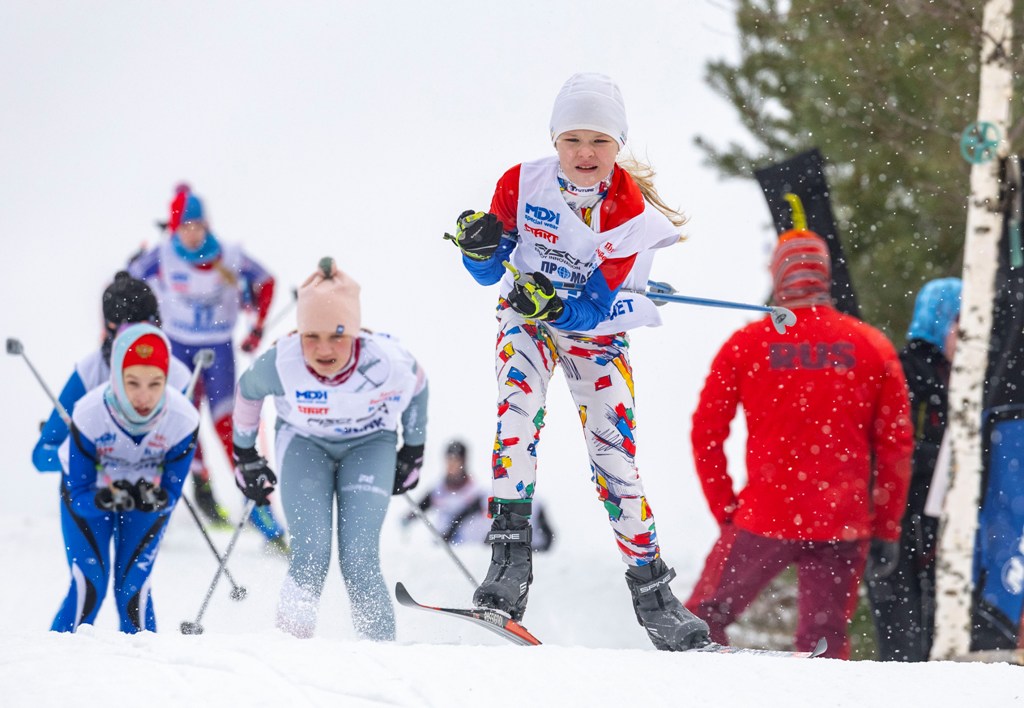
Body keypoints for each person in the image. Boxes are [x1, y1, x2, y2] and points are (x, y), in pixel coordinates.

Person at [444, 72, 710, 651]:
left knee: (615, 457)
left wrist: (558, 301)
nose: (584, 154)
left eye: (599, 142)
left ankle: (654, 595)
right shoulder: (520, 183)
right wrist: (480, 251)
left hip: (596, 329)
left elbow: (594, 306)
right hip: (527, 323)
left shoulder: (627, 206)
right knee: (515, 419)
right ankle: (509, 563)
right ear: (554, 139)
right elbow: (492, 272)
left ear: (618, 145)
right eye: (572, 140)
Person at [685, 228, 914, 659]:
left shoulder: (746, 344)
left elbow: (706, 433)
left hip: (763, 515)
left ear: (778, 274)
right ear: (825, 276)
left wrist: (726, 510)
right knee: (823, 646)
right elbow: (895, 447)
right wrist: (886, 526)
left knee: (700, 623)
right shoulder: (872, 346)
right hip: (840, 521)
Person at [230, 259, 429, 640]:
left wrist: (413, 451)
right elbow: (248, 393)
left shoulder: (387, 361)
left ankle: (381, 659)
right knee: (310, 555)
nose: (323, 349)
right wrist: (246, 455)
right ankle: (290, 651)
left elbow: (419, 388)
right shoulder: (282, 360)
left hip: (369, 446)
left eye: (337, 335)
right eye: (311, 336)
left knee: (358, 557)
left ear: (355, 332)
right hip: (305, 446)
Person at [129, 185, 287, 548]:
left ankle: (260, 509)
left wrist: (257, 324)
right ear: (174, 228)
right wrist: (141, 321)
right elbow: (128, 281)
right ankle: (200, 485)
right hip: (177, 348)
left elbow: (265, 281)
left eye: (198, 224)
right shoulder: (163, 254)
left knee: (229, 424)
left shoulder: (228, 255)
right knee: (181, 418)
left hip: (218, 348)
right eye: (185, 225)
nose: (193, 231)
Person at [52, 323, 200, 632]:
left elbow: (171, 493)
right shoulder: (89, 412)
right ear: (116, 377)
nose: (144, 396)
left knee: (133, 586)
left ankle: (146, 669)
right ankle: (60, 665)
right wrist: (105, 498)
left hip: (141, 498)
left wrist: (157, 498)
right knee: (90, 585)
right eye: (132, 382)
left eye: (155, 383)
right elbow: (78, 495)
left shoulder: (183, 419)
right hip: (89, 495)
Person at [867, 277, 961, 661]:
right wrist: (945, 457)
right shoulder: (906, 369)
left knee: (943, 620)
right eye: (961, 323)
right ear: (940, 319)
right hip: (901, 514)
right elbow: (890, 446)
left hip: (940, 513)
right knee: (902, 623)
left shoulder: (963, 375)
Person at [33, 271, 192, 473]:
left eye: (146, 330)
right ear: (110, 328)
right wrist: (90, 456)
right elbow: (42, 456)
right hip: (95, 497)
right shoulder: (89, 372)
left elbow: (184, 449)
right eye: (129, 332)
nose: (137, 342)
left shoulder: (178, 377)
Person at [407, 440, 555, 551]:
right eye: (449, 460)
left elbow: (470, 516)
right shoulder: (437, 490)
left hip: (468, 548)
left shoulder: (476, 491)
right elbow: (418, 510)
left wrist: (450, 532)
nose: (451, 465)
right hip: (444, 547)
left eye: (455, 460)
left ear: (463, 462)